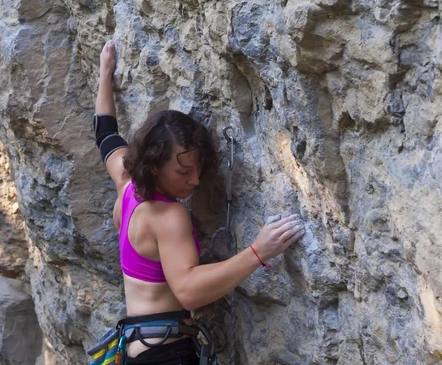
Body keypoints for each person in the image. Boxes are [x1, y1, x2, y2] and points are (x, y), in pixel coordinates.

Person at [93, 40, 305, 365]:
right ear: (153, 166)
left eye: (198, 168)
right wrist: (258, 252)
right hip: (166, 356)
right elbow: (189, 290)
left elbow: (105, 132)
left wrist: (105, 74)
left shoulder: (126, 182)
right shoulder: (168, 215)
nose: (193, 180)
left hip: (138, 348)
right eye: (182, 171)